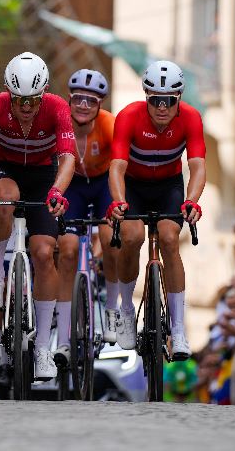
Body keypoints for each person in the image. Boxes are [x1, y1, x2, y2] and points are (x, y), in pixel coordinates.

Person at [0, 52, 76, 381]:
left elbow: (68, 157)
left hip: (43, 174)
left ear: (43, 94)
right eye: (20, 101)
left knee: (45, 253)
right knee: (5, 196)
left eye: (33, 100)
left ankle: (43, 346)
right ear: (8, 93)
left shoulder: (57, 107)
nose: (27, 108)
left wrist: (57, 191)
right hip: (5, 169)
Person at [108, 60, 207, 359]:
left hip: (168, 186)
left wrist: (192, 200)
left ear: (179, 99)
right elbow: (117, 166)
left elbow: (198, 165)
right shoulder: (129, 116)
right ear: (146, 97)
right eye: (155, 100)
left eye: (169, 101)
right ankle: (126, 310)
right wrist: (118, 200)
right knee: (132, 236)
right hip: (134, 186)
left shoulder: (190, 118)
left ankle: (178, 330)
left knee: (168, 238)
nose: (161, 108)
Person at [55, 69, 118, 363]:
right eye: (78, 98)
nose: (83, 105)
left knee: (110, 238)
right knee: (67, 249)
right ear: (69, 99)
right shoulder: (59, 124)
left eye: (90, 101)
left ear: (99, 106)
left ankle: (111, 310)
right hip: (74, 186)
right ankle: (64, 335)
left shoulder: (109, 125)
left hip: (103, 182)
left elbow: (121, 166)